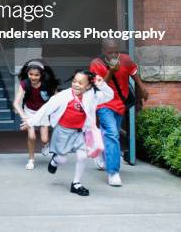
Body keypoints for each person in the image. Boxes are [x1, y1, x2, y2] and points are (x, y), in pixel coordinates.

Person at [21, 69, 113, 196]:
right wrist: (31, 122)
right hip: (62, 132)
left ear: (88, 86)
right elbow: (46, 108)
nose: (76, 84)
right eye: (74, 81)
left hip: (80, 132)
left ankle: (76, 184)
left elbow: (109, 96)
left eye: (80, 83)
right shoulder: (64, 96)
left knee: (82, 156)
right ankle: (55, 160)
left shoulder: (92, 95)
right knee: (62, 160)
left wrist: (102, 85)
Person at [90, 38, 150, 186]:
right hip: (104, 104)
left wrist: (142, 87)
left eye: (116, 52)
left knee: (110, 134)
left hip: (120, 104)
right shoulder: (96, 65)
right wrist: (111, 71)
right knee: (112, 133)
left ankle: (102, 154)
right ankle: (113, 172)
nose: (114, 55)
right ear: (104, 52)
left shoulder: (125, 59)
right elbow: (99, 86)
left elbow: (133, 71)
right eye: (110, 52)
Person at [12, 59, 58, 169]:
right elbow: (15, 103)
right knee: (31, 136)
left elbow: (56, 99)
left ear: (41, 75)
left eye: (36, 75)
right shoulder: (24, 84)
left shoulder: (48, 84)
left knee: (44, 139)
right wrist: (24, 116)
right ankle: (31, 160)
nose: (33, 77)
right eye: (30, 74)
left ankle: (45, 145)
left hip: (43, 112)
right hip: (29, 111)